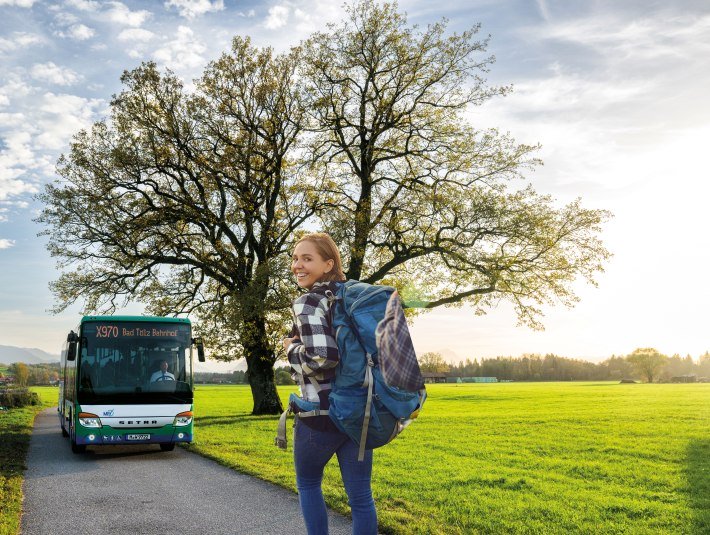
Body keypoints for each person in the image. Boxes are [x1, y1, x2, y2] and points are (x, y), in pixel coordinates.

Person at [283, 232, 377, 535]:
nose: (298, 265)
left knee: (308, 484)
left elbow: (323, 358)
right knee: (361, 498)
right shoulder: (349, 297)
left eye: (307, 258)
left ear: (328, 264)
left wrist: (290, 350)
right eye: (295, 258)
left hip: (320, 415)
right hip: (358, 411)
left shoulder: (308, 301)